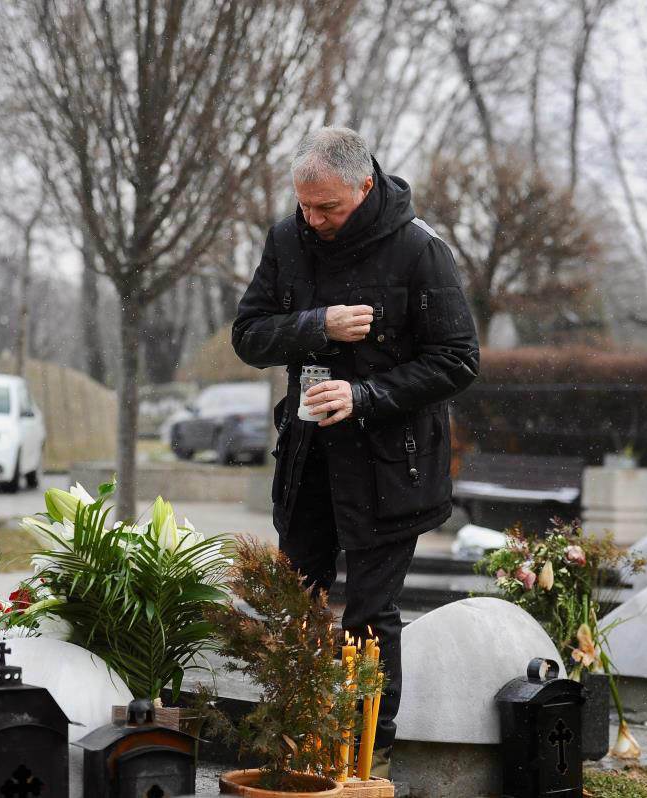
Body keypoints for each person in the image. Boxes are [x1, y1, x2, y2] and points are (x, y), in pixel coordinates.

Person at [232, 127, 479, 770]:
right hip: (308, 459)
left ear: (365, 186)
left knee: (369, 614)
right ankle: (296, 736)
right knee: (296, 605)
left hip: (392, 465)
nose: (313, 221)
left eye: (328, 209)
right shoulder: (288, 238)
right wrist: (316, 324)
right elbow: (249, 335)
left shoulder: (421, 251)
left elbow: (457, 361)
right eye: (305, 206)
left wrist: (366, 395)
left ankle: (369, 751)